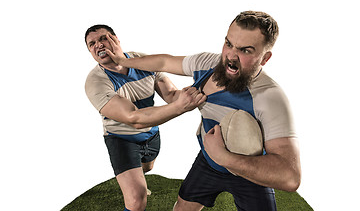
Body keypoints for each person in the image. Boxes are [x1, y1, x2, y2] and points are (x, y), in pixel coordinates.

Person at [105, 11, 302, 211]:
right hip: (209, 162)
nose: (231, 57)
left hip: (250, 172)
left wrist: (224, 157)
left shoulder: (269, 98)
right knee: (181, 208)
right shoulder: (207, 64)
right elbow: (164, 62)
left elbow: (290, 177)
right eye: (228, 44)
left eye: (245, 50)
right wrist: (124, 61)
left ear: (265, 58)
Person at [84, 24, 206, 211]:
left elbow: (171, 94)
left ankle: (134, 176)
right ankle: (131, 183)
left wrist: (199, 90)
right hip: (121, 139)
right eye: (92, 44)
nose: (98, 45)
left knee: (147, 168)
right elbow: (134, 118)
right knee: (136, 201)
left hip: (151, 133)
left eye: (103, 38)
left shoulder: (141, 60)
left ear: (116, 39)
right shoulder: (96, 82)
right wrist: (180, 107)